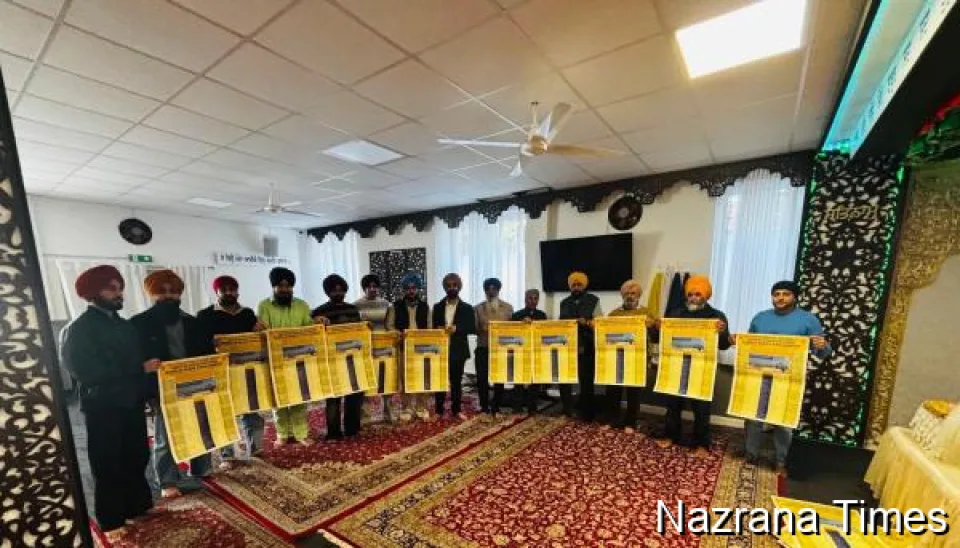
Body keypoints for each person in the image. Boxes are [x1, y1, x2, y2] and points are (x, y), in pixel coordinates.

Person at [60, 266, 157, 541]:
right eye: (112, 288)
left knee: (136, 456)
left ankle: (137, 506)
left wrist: (145, 390)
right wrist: (137, 369)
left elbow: (139, 362)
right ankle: (111, 519)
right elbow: (86, 371)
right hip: (103, 405)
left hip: (131, 401)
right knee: (107, 462)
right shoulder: (78, 329)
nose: (119, 293)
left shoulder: (124, 325)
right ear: (93, 292)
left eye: (120, 288)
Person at [131, 269, 212, 499]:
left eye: (173, 292)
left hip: (194, 384)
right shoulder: (138, 324)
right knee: (165, 435)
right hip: (161, 388)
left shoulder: (193, 322)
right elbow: (132, 358)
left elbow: (206, 351)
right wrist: (144, 369)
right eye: (162, 292)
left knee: (199, 427)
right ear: (151, 294)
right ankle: (167, 481)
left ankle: (201, 470)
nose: (168, 296)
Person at [740, 280, 831, 477]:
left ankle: (781, 461)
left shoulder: (808, 320)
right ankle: (751, 454)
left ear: (795, 297)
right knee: (753, 416)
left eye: (786, 294)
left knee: (784, 421)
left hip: (789, 379)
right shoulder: (760, 318)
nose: (780, 298)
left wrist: (822, 345)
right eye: (777, 294)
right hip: (760, 376)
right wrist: (736, 342)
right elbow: (749, 344)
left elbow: (823, 353)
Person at [649, 275, 731, 453]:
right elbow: (656, 339)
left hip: (701, 369)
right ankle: (671, 435)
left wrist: (723, 333)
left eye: (698, 294)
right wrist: (655, 328)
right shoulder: (675, 313)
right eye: (690, 294)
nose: (693, 298)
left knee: (701, 407)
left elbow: (724, 345)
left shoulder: (716, 316)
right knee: (673, 404)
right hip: (676, 366)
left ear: (706, 295)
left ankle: (701, 444)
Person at [196, 275, 261, 463]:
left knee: (251, 409)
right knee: (223, 413)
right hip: (219, 372)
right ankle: (227, 455)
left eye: (232, 289)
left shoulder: (247, 314)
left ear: (237, 291)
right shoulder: (205, 315)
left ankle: (256, 448)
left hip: (246, 371)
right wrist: (211, 343)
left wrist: (259, 331)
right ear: (216, 292)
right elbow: (198, 344)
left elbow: (256, 339)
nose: (229, 293)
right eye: (224, 290)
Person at [255, 267, 314, 446]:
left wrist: (317, 323)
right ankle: (282, 433)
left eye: (288, 286)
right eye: (280, 286)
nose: (284, 289)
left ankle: (301, 433)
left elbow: (309, 329)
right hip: (275, 360)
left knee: (300, 396)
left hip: (298, 359)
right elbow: (263, 331)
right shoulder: (264, 306)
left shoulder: (302, 305)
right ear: (273, 286)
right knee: (278, 398)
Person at [312, 274, 364, 440]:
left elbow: (360, 332)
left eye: (341, 290)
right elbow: (314, 335)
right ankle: (333, 432)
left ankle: (352, 429)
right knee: (333, 397)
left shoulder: (353, 309)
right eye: (334, 291)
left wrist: (366, 328)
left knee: (354, 394)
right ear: (327, 292)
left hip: (353, 358)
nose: (338, 293)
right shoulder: (318, 312)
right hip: (331, 360)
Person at [602, 279, 657, 433]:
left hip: (637, 358)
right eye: (626, 293)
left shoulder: (647, 313)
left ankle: (630, 423)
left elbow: (656, 337)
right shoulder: (613, 314)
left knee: (633, 392)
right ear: (622, 295)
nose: (629, 296)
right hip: (616, 357)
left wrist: (652, 326)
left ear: (639, 295)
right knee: (613, 390)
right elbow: (605, 334)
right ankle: (611, 420)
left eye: (633, 293)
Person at [386, 272, 433, 421]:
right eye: (408, 288)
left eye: (414, 288)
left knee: (422, 377)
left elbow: (430, 327)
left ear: (418, 289)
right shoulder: (395, 306)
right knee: (405, 378)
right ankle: (407, 408)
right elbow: (389, 326)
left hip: (421, 349)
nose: (411, 291)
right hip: (403, 348)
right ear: (404, 290)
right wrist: (398, 334)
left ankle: (421, 407)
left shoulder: (425, 306)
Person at [558, 271, 602, 420]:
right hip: (567, 347)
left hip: (587, 346)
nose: (576, 287)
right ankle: (567, 410)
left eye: (579, 284)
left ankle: (587, 413)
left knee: (586, 381)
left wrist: (588, 322)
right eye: (573, 285)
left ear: (585, 285)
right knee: (565, 379)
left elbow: (599, 324)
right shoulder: (564, 302)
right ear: (570, 286)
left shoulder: (594, 300)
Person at [432, 273, 476, 420]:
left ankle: (456, 410)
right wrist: (438, 329)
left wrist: (457, 329)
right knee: (440, 380)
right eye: (449, 285)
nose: (452, 288)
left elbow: (472, 328)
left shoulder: (467, 308)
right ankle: (438, 410)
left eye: (455, 285)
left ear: (459, 287)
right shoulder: (437, 307)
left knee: (456, 382)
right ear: (445, 288)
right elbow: (432, 327)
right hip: (440, 350)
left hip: (458, 349)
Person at [354, 274, 393, 422]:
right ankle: (365, 414)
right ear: (364, 288)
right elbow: (355, 327)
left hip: (383, 346)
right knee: (365, 379)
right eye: (369, 286)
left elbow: (389, 325)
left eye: (375, 286)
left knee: (385, 379)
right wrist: (364, 325)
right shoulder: (356, 305)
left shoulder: (386, 304)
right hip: (365, 347)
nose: (372, 289)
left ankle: (387, 410)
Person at [474, 278, 515, 416]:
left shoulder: (508, 308)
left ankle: (496, 406)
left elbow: (512, 330)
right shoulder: (478, 308)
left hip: (501, 349)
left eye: (494, 288)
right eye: (488, 289)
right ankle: (484, 407)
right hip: (483, 347)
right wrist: (483, 329)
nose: (491, 291)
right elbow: (475, 329)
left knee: (499, 378)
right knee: (482, 379)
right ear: (485, 290)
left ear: (498, 290)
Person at [510, 289, 548, 415]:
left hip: (536, 352)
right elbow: (512, 334)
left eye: (535, 298)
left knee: (535, 381)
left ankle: (532, 407)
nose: (533, 301)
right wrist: (521, 325)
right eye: (530, 298)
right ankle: (517, 407)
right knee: (519, 380)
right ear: (525, 299)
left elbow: (544, 334)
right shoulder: (517, 315)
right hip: (520, 352)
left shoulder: (542, 315)